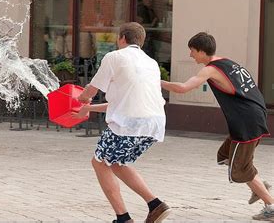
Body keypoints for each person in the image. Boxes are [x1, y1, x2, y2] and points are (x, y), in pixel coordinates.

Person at [161, 32, 273, 221]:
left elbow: (183, 88)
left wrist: (155, 82)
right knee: (225, 156)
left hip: (247, 122)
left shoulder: (210, 70)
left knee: (240, 171)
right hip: (254, 115)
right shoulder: (228, 62)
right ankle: (259, 185)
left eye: (192, 51)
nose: (190, 55)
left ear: (201, 51)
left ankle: (270, 205)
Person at [72, 22, 170, 223]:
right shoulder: (151, 62)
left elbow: (92, 89)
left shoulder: (114, 57)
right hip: (154, 124)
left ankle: (123, 218)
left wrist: (82, 99)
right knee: (117, 163)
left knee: (99, 162)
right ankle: (155, 205)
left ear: (122, 38)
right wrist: (89, 108)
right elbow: (123, 103)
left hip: (129, 124)